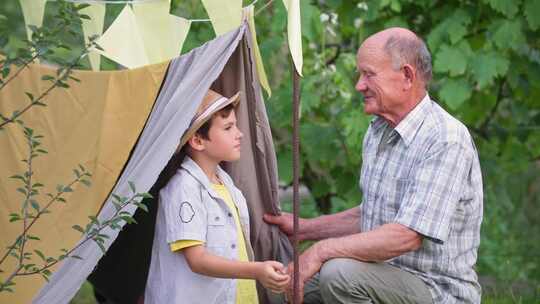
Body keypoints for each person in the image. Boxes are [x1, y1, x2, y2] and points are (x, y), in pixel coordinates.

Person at [264, 27, 483, 304]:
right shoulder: (378, 129)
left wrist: (320, 251)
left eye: (368, 74)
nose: (359, 85)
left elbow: (406, 235)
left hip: (436, 291)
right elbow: (372, 216)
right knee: (275, 288)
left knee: (339, 274)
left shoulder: (445, 139)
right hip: (380, 276)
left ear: (406, 76)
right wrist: (305, 229)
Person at [145, 89, 290, 304]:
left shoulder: (226, 183)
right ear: (197, 141)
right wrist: (257, 270)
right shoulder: (184, 188)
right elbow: (197, 260)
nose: (239, 134)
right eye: (228, 127)